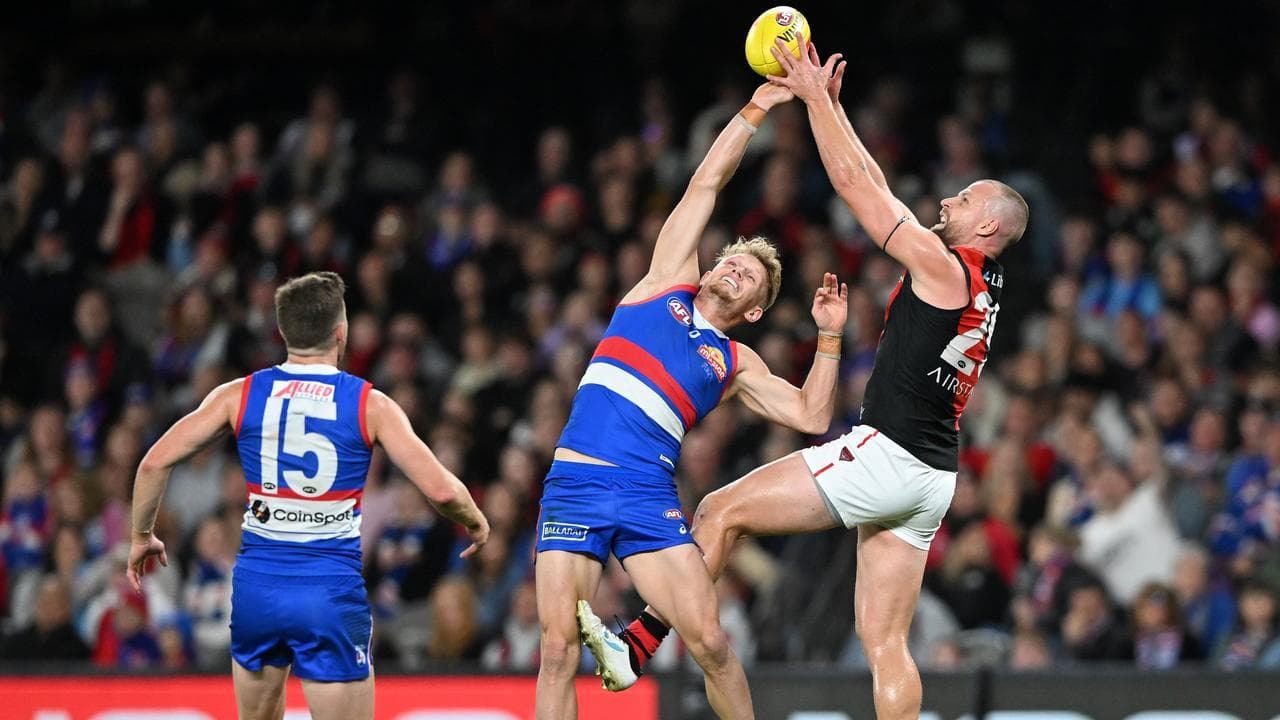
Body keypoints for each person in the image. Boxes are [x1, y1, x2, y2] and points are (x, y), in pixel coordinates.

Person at [580, 36, 1027, 720]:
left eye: (965, 199)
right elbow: (874, 183)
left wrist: (816, 100)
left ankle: (637, 643)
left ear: (988, 222)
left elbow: (858, 189)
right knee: (884, 643)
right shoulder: (986, 288)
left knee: (717, 511)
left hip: (889, 452)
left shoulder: (947, 267)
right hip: (934, 475)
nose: (950, 200)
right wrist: (830, 107)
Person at [537, 81, 849, 720]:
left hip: (648, 495)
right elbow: (705, 183)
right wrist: (757, 108)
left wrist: (830, 336)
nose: (735, 269)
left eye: (751, 278)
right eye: (735, 261)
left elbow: (812, 415)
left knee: (710, 642)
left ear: (755, 309)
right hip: (576, 482)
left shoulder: (735, 362)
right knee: (557, 651)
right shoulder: (663, 283)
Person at [126, 272, 488, 720]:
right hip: (327, 589)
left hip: (258, 587)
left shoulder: (237, 395)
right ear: (342, 332)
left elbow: (152, 463)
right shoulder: (368, 404)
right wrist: (473, 517)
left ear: (282, 333)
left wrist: (142, 534)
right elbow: (438, 488)